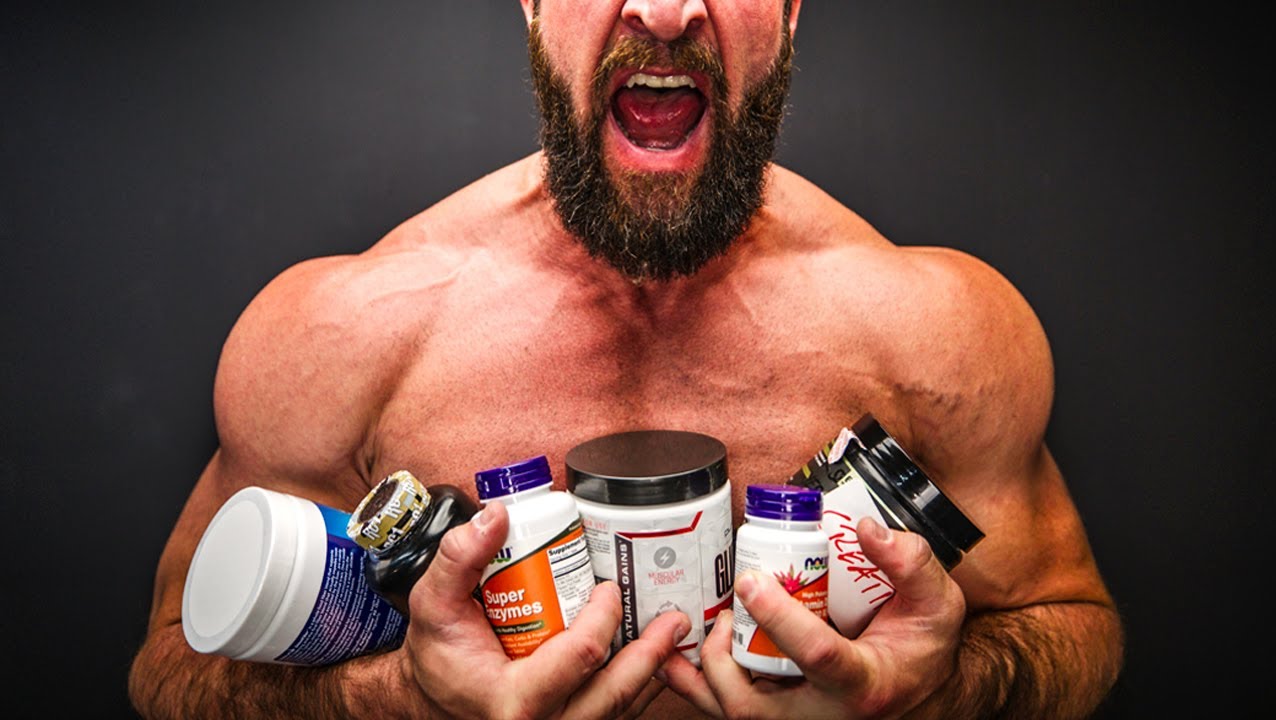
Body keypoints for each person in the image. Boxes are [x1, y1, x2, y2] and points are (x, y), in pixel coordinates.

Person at [128, 1, 1124, 718]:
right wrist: (403, 695)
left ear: (789, 12)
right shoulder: (341, 334)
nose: (663, 10)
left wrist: (933, 693)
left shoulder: (934, 328)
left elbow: (1076, 622)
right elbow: (172, 664)